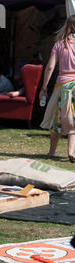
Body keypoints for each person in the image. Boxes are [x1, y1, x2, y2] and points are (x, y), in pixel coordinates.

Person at [39, 15, 75, 163]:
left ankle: (52, 152)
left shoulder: (59, 45)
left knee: (57, 119)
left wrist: (44, 86)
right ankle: (71, 151)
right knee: (73, 118)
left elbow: (50, 67)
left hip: (63, 85)